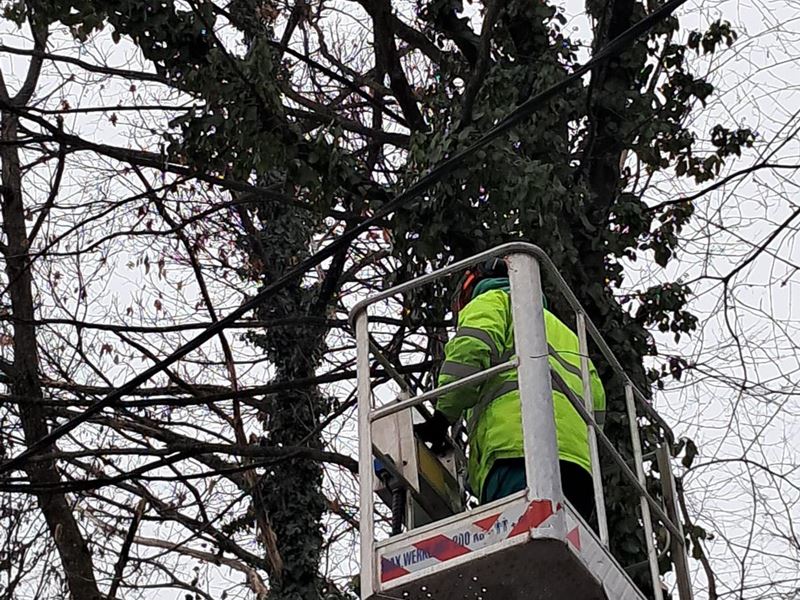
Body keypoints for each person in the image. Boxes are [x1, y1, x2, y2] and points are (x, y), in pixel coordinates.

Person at [415, 258, 606, 523]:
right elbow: (596, 407)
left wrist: (442, 416)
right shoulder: (568, 335)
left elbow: (470, 350)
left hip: (516, 454)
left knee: (520, 544)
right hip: (579, 470)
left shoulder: (495, 301)